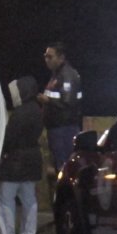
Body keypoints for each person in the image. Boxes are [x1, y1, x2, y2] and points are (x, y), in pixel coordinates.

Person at [0, 75, 44, 234]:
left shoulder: (19, 113)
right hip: (33, 158)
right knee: (29, 200)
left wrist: (2, 153)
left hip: (15, 160)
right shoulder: (38, 110)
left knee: (6, 199)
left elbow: (9, 138)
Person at [38, 42, 83, 183]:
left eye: (50, 57)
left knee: (65, 167)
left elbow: (68, 102)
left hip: (64, 129)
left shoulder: (67, 75)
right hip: (57, 128)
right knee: (60, 166)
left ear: (61, 57)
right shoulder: (57, 75)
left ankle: (66, 197)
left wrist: (47, 100)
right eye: (45, 56)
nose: (47, 60)